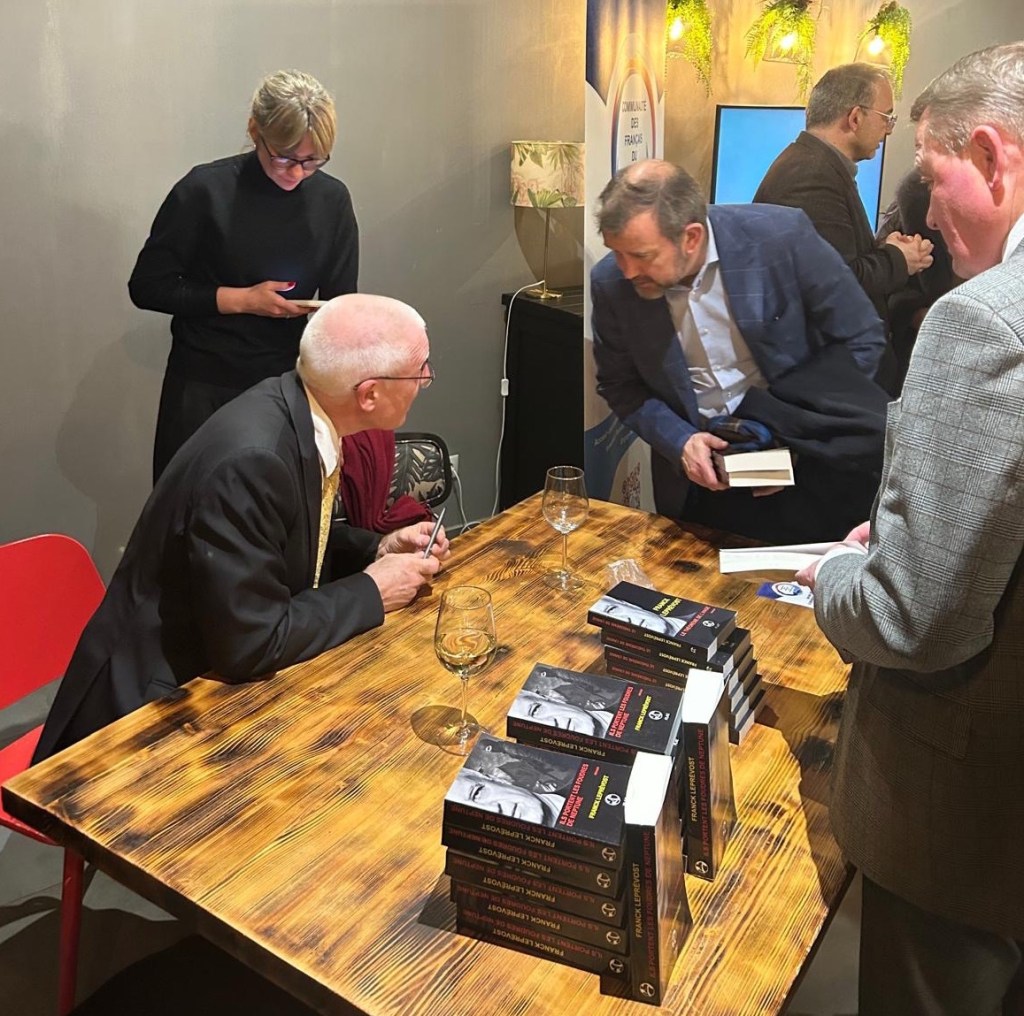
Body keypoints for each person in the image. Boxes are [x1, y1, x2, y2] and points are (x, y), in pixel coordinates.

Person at [796, 44, 1024, 1016]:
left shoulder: (982, 322)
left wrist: (834, 577)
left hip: (966, 820)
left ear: (991, 154)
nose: (925, 211)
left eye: (931, 177)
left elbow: (907, 616)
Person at [33, 295, 447, 762]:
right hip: (150, 718)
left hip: (217, 679)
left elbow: (280, 543)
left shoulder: (298, 409)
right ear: (368, 394)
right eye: (420, 371)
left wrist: (378, 548)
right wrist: (373, 591)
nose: (427, 379)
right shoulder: (256, 458)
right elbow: (252, 641)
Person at [591, 159, 888, 543]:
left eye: (642, 256)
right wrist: (679, 441)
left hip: (812, 474)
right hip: (704, 483)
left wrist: (803, 436)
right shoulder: (610, 283)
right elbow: (620, 386)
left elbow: (861, 336)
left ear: (691, 237)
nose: (627, 271)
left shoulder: (781, 238)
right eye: (617, 253)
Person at [129, 69, 359, 483]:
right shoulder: (205, 191)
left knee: (273, 516)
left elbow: (341, 303)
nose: (295, 172)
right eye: (284, 157)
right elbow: (147, 285)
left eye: (311, 161)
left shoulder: (332, 200)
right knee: (191, 510)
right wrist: (244, 300)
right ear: (256, 130)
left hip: (286, 385)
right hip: (203, 384)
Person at [754, 63, 934, 387]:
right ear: (855, 117)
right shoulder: (811, 176)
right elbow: (836, 280)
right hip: (833, 375)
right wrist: (900, 260)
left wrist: (883, 249)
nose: (889, 130)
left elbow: (828, 260)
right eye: (886, 117)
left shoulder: (815, 166)